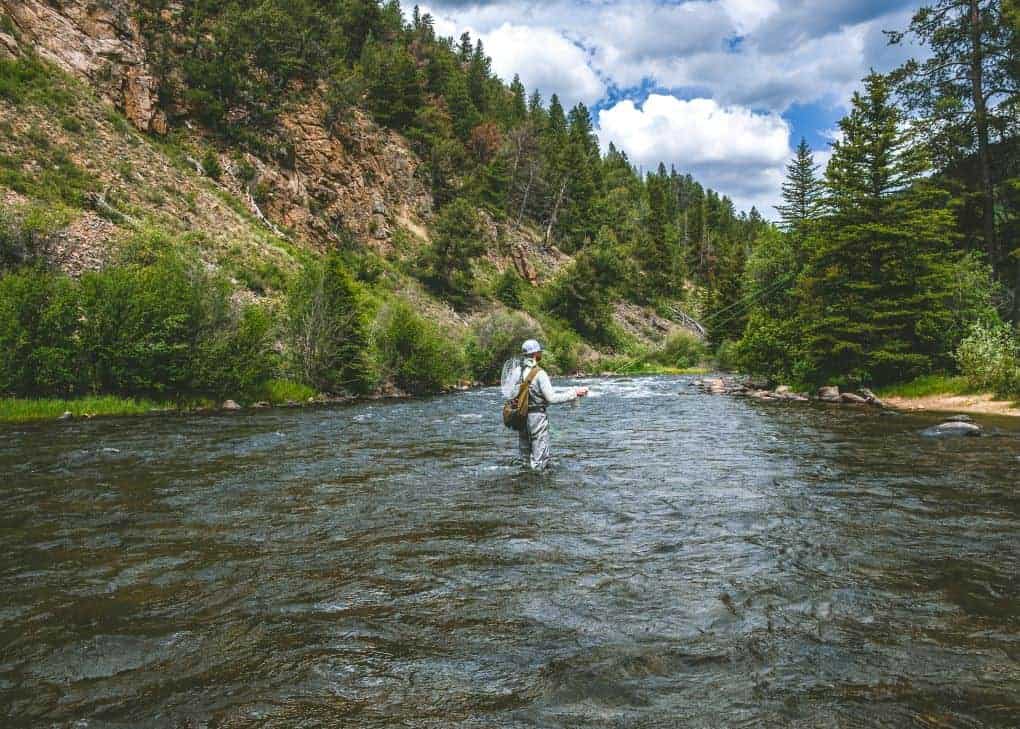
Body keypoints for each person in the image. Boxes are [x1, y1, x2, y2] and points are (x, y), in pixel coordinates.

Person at [515, 339, 588, 470]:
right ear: (535, 354)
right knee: (540, 457)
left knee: (524, 457)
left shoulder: (518, 372)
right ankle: (539, 483)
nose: (541, 353)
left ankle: (524, 481)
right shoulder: (540, 373)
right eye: (539, 351)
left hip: (520, 416)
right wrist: (574, 393)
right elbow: (552, 398)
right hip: (536, 417)